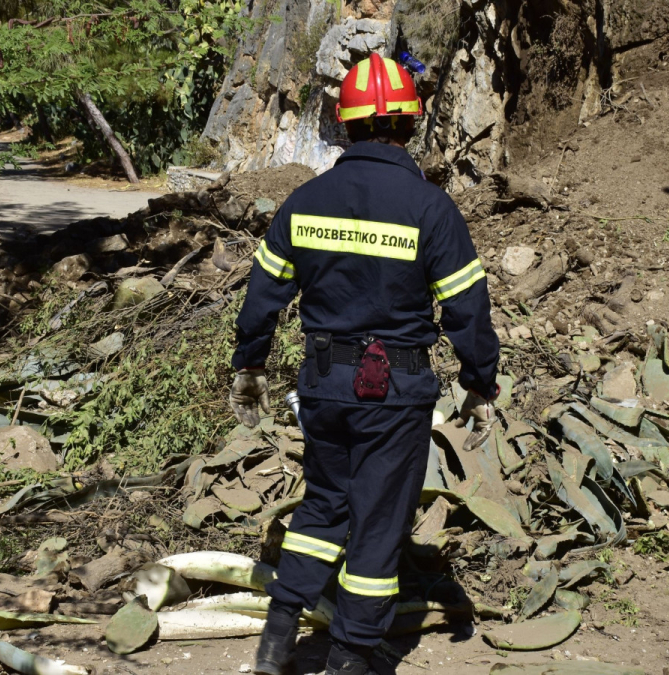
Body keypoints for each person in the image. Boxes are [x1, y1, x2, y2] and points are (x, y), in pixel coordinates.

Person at [228, 52, 501, 675]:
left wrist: (250, 367)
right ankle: (352, 657)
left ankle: (276, 642)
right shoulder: (431, 209)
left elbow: (262, 295)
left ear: (344, 124)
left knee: (324, 502)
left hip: (323, 383)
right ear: (412, 123)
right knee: (379, 521)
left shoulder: (306, 201)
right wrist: (480, 385)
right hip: (394, 388)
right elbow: (467, 311)